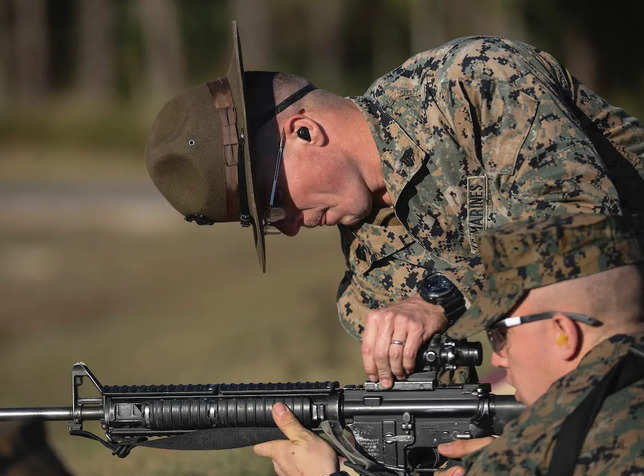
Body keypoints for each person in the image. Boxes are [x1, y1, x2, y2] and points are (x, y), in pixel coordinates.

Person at [146, 23, 644, 390]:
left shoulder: (471, 83)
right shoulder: (371, 268)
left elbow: (578, 220)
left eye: (276, 205)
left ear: (303, 131)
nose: (293, 228)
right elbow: (449, 390)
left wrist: (438, 298)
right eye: (270, 224)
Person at [253, 213, 644, 476]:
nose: (499, 357)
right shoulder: (538, 456)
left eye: (501, 332)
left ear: (563, 333)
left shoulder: (527, 460)